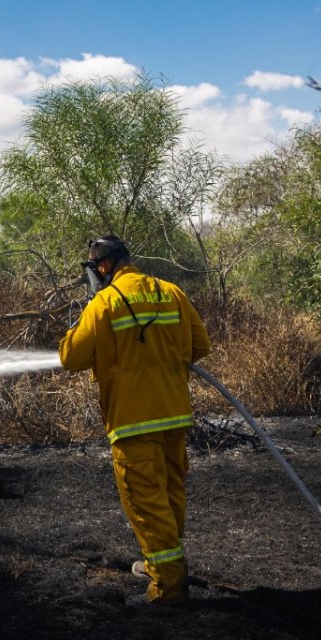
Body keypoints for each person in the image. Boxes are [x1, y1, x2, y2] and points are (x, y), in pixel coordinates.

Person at [59, 236, 212, 604]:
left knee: (147, 506)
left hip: (132, 423)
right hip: (174, 418)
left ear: (104, 267)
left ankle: (167, 588)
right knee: (170, 495)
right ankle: (160, 562)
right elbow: (199, 346)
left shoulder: (105, 302)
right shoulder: (170, 292)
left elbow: (70, 357)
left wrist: (95, 308)